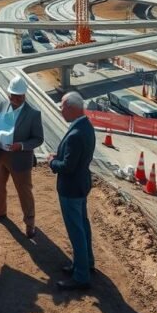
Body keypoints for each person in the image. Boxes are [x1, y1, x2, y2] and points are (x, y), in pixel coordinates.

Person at [47, 92, 96, 290]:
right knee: (83, 227)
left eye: (62, 108)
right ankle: (86, 263)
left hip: (71, 189)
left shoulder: (76, 134)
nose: (61, 112)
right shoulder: (86, 126)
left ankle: (81, 276)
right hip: (81, 184)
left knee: (76, 231)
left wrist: (52, 161)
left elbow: (67, 166)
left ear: (71, 108)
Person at [0, 76, 44, 238]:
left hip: (20, 158)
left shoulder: (33, 114)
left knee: (24, 191)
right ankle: (0, 212)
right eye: (13, 95)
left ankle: (30, 223)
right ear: (8, 93)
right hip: (0, 153)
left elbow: (38, 139)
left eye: (19, 96)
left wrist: (22, 145)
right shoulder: (1, 105)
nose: (15, 99)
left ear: (25, 95)